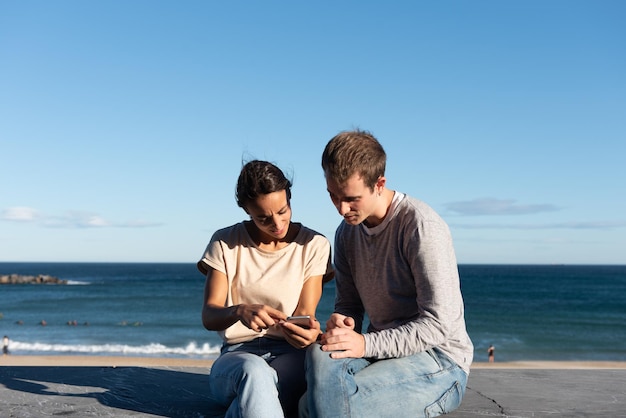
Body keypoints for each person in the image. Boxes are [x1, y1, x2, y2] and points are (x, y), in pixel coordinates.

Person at [300, 130, 474, 418]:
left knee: (314, 408)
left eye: (351, 198)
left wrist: (365, 343)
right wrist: (343, 325)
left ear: (379, 184)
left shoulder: (420, 226)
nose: (342, 209)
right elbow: (349, 306)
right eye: (333, 196)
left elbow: (438, 325)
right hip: (381, 352)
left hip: (439, 360)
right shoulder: (346, 234)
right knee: (319, 356)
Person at [197, 160, 332, 418]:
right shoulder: (225, 242)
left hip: (290, 356)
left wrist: (307, 332)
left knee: (262, 388)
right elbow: (209, 316)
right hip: (237, 357)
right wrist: (240, 310)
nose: (277, 224)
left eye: (283, 211)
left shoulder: (314, 245)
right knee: (255, 372)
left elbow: (305, 312)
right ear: (246, 210)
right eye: (263, 218)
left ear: (289, 197)